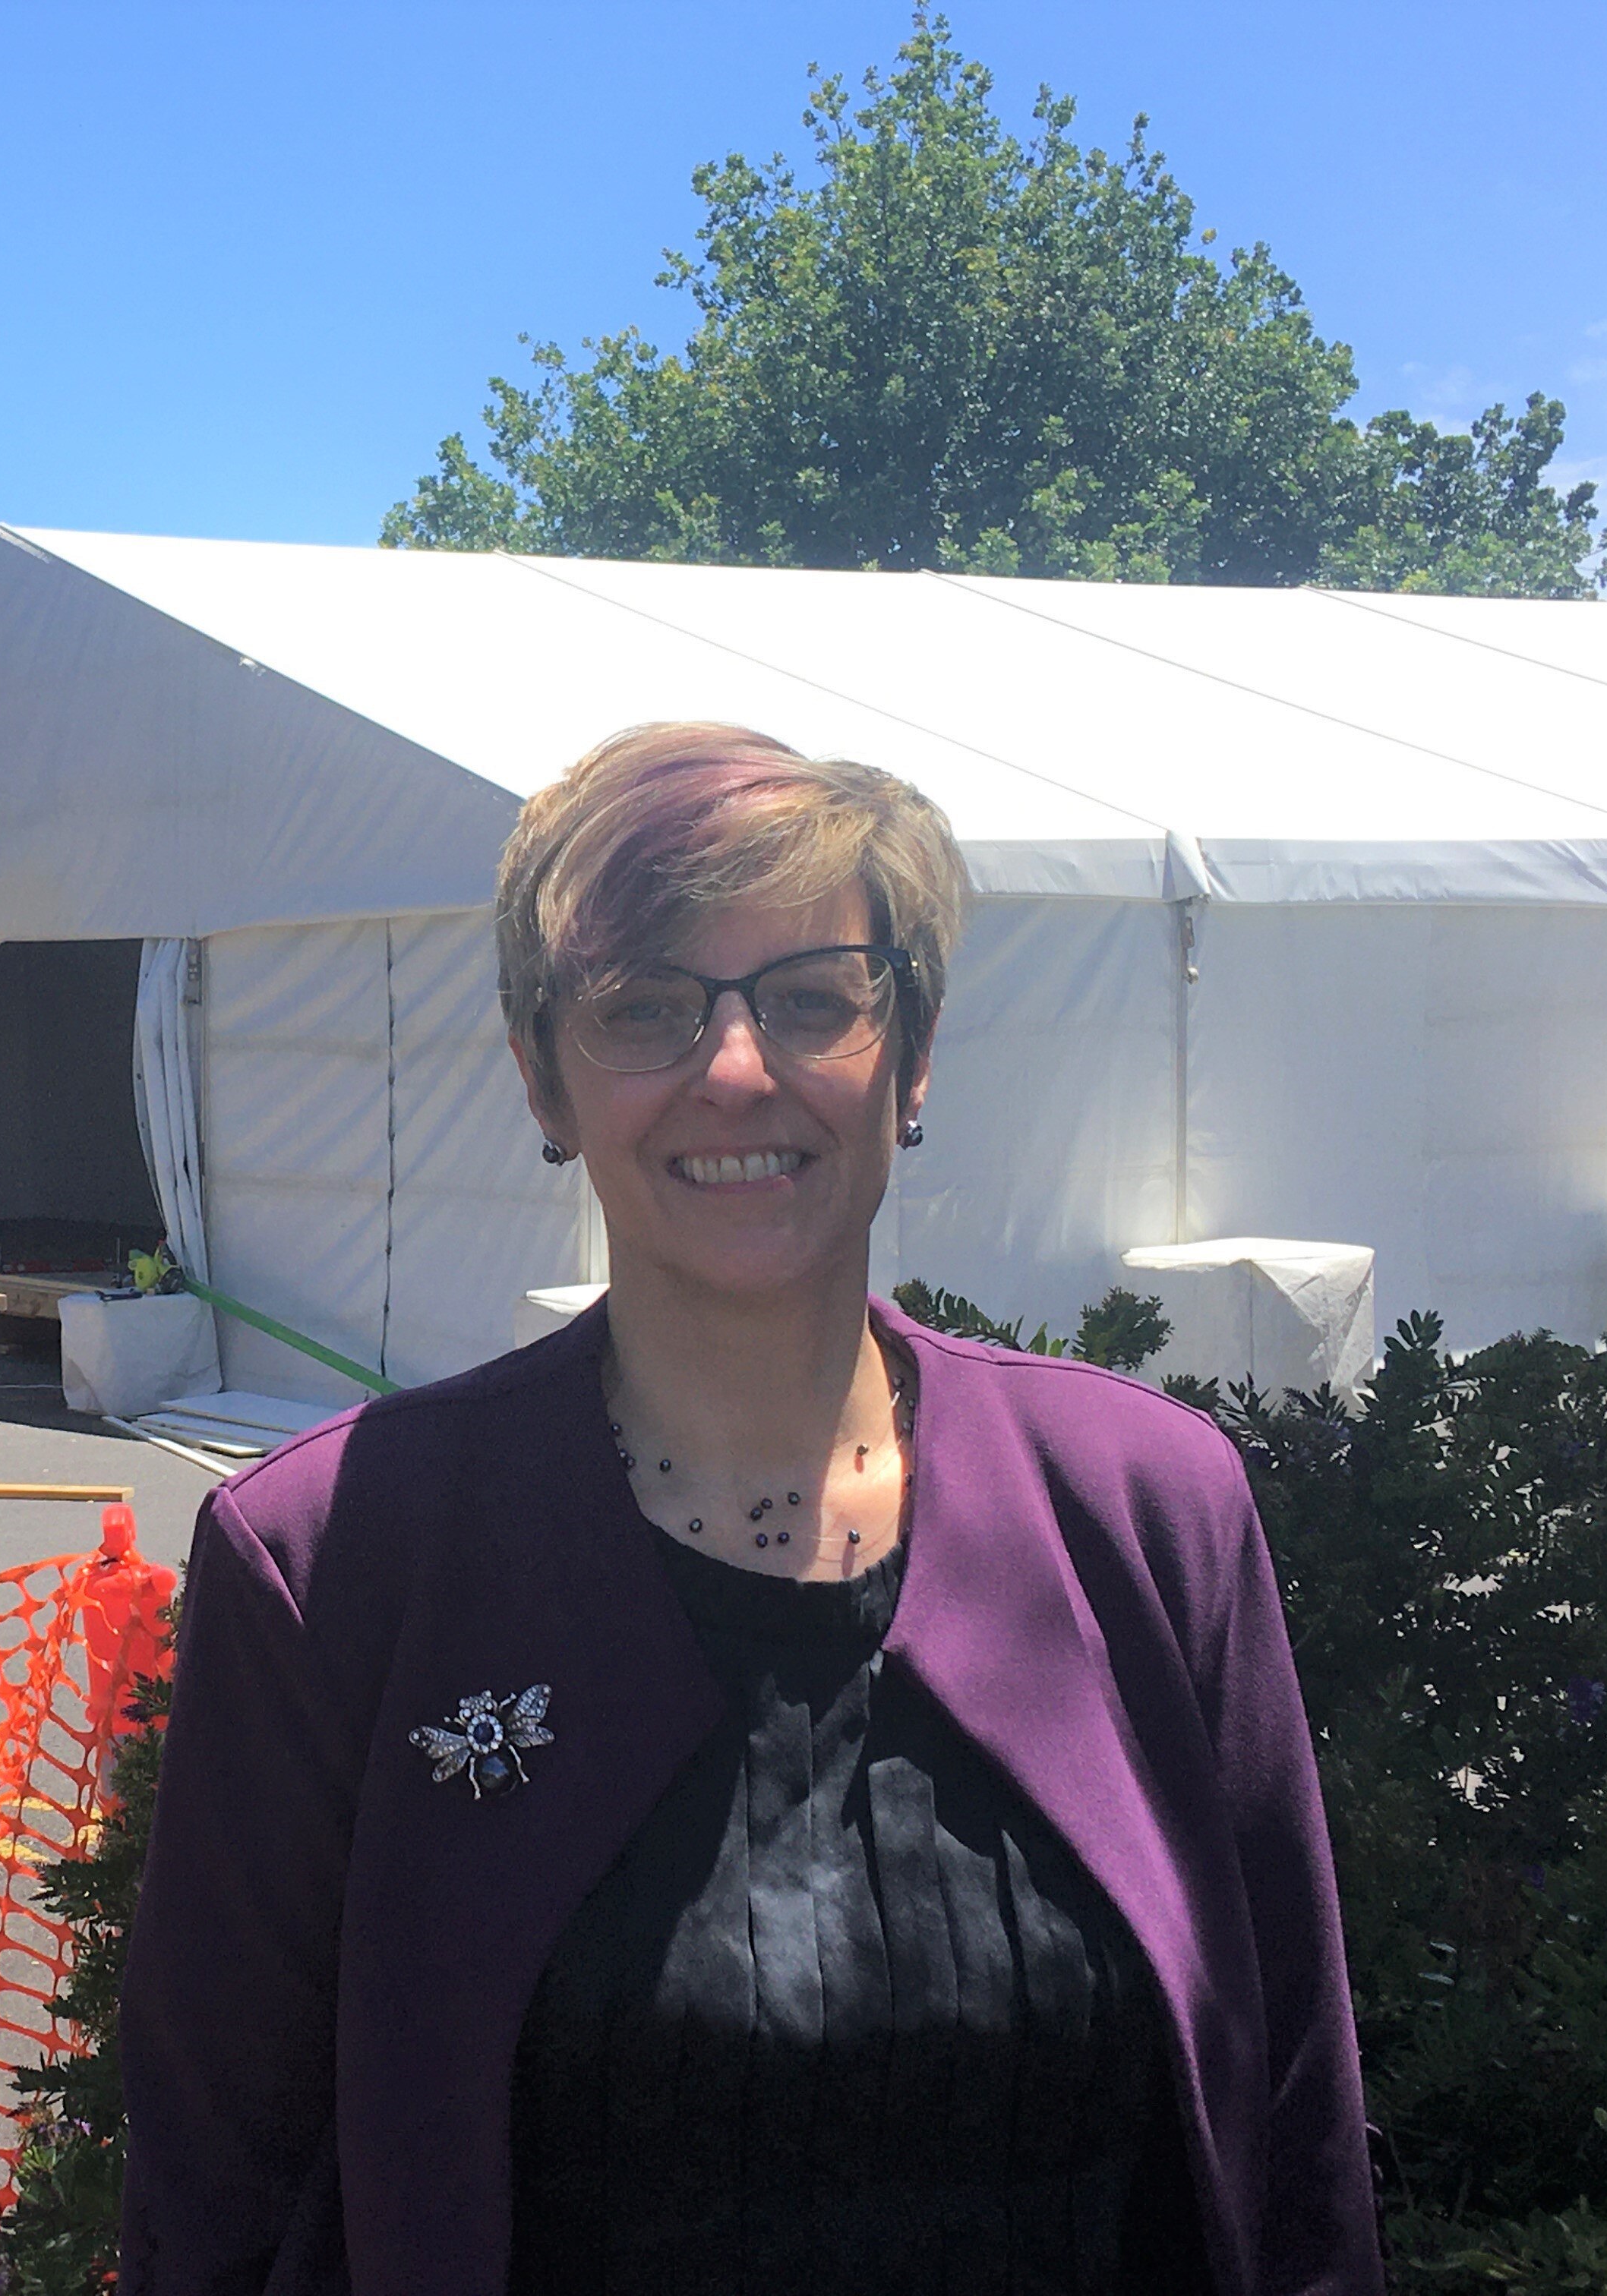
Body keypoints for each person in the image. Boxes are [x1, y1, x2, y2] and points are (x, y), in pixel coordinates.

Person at [117, 724, 1378, 2296]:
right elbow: (217, 2207)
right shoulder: (335, 1565)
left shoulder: (1148, 1513)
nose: (733, 1069)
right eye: (643, 1006)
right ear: (541, 1075)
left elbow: (1295, 2151)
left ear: (912, 1054)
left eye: (813, 997)